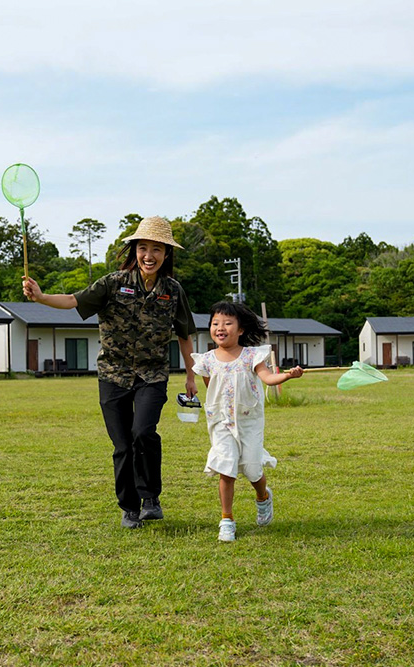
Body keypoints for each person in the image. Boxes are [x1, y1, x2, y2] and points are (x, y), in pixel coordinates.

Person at [22, 216, 198, 529]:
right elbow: (74, 300)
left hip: (152, 376)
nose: (149, 255)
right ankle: (130, 508)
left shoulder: (173, 291)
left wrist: (190, 375)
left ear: (166, 254)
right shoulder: (113, 283)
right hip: (113, 374)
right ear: (135, 250)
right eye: (143, 248)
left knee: (143, 432)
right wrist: (41, 296)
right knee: (123, 445)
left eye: (157, 249)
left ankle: (151, 498)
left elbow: (185, 334)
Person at [190, 301, 303, 542]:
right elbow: (213, 391)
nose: (220, 327)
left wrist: (288, 375)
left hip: (249, 420)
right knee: (226, 466)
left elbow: (269, 378)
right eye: (215, 323)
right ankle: (227, 520)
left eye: (228, 323)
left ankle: (263, 497)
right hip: (220, 421)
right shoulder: (207, 360)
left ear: (240, 329)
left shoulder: (252, 355)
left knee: (252, 468)